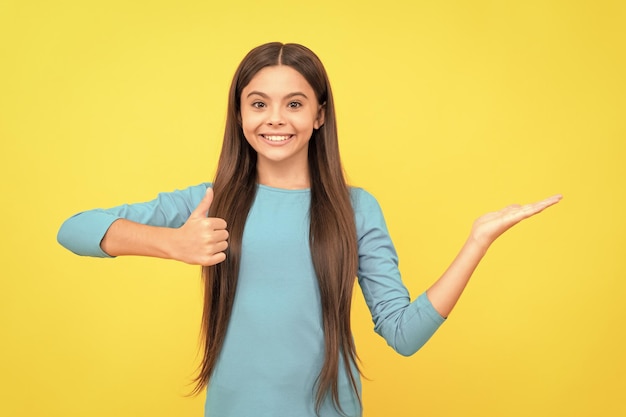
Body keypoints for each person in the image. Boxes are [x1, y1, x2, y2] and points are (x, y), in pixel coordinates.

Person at [57, 42, 561, 417]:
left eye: (294, 104)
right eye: (258, 103)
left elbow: (403, 335)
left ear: (319, 115)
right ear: (239, 114)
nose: (275, 119)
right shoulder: (208, 201)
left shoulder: (355, 209)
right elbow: (74, 230)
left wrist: (478, 241)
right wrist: (171, 243)